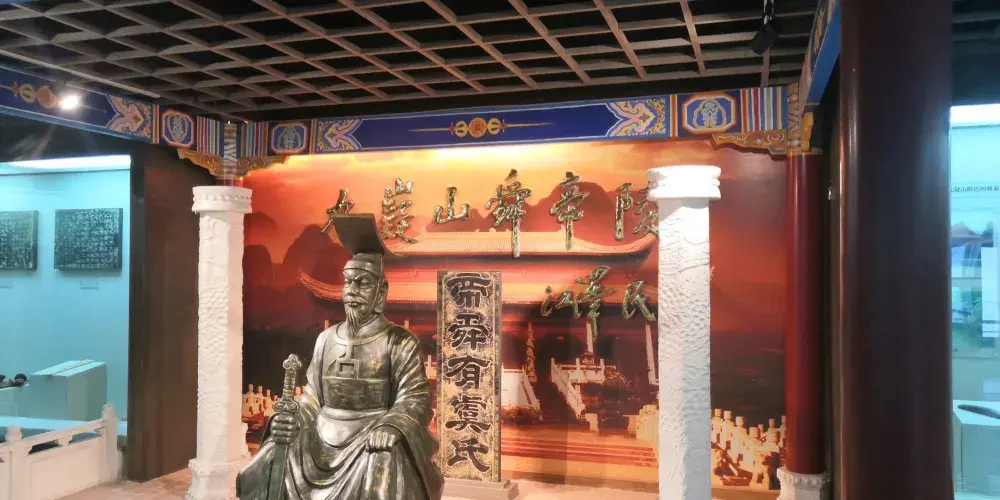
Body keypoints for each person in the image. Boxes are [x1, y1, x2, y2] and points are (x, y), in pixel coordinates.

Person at [236, 214, 443, 500]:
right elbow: (312, 397)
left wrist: (391, 424)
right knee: (273, 454)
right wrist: (294, 419)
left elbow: (414, 398)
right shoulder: (326, 339)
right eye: (348, 282)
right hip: (322, 432)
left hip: (372, 433)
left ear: (381, 293)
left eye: (363, 283)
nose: (352, 291)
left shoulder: (399, 342)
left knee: (383, 459)